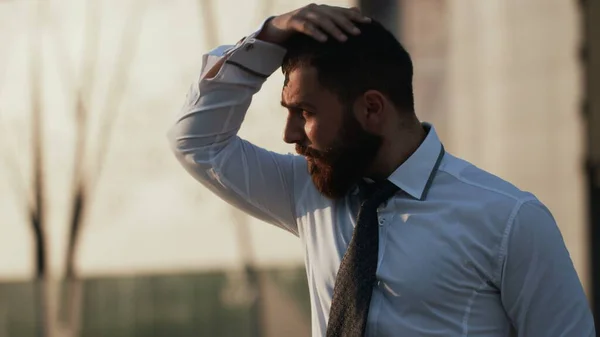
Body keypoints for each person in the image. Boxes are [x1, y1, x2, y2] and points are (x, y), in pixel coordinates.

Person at [168, 4, 595, 336]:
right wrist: (271, 35)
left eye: (305, 111)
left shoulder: (510, 220)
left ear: (372, 107)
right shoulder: (308, 193)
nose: (289, 134)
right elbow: (195, 142)